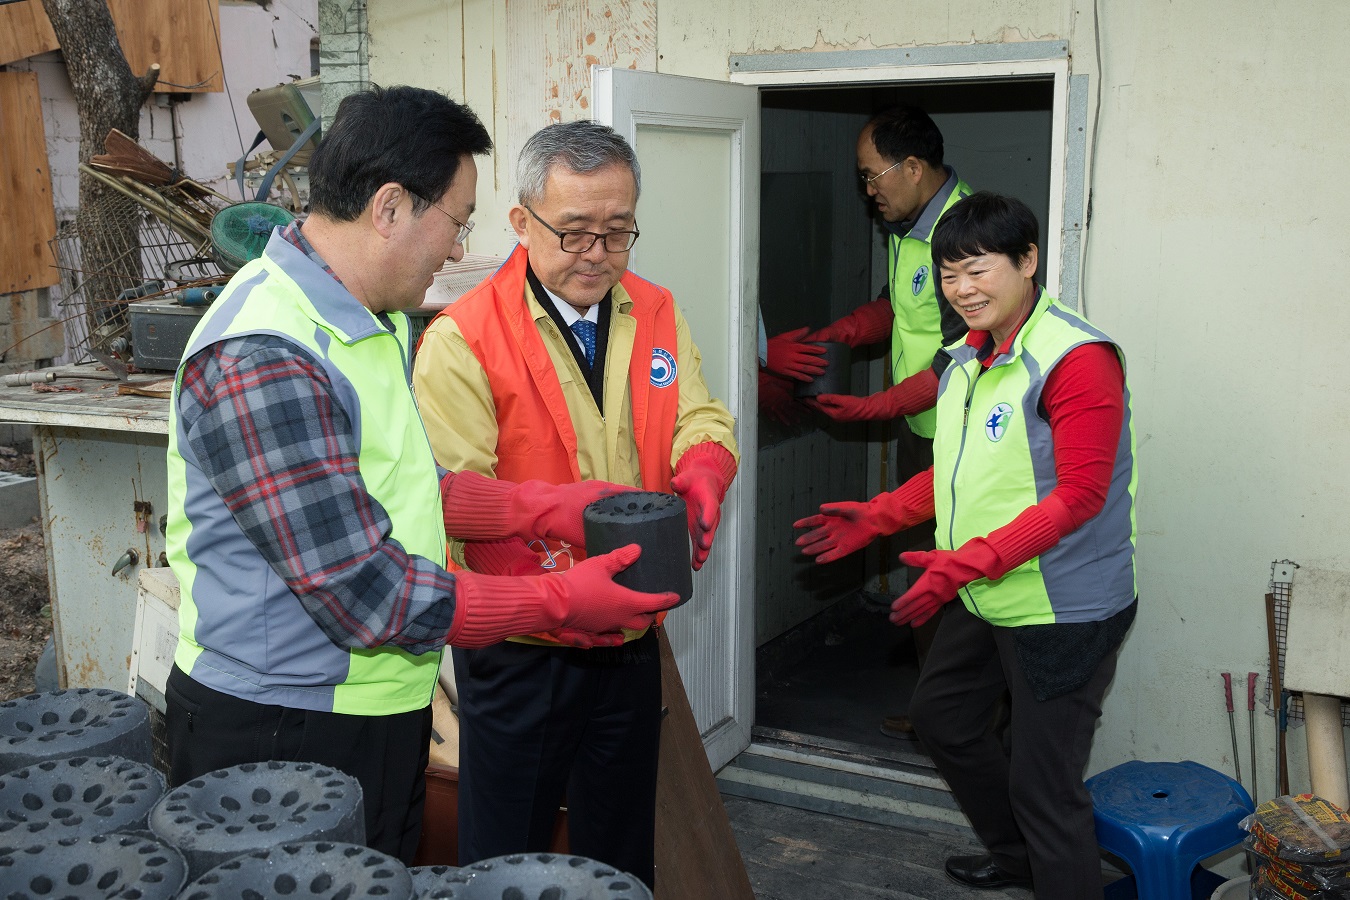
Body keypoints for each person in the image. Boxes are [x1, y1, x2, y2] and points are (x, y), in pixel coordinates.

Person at [162, 86, 679, 865]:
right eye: (458, 220)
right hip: (281, 730)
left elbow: (410, 488)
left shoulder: (366, 320)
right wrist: (561, 599)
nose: (456, 246)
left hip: (372, 707)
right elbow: (371, 592)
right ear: (391, 207)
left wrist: (548, 508)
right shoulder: (265, 355)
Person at [411, 120, 739, 889]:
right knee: (506, 854)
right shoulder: (463, 339)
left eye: (618, 233)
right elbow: (457, 504)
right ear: (522, 223)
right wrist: (559, 601)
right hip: (523, 646)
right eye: (575, 232)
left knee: (621, 843)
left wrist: (704, 469)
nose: (597, 254)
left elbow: (699, 414)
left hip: (629, 630)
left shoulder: (653, 308)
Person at [795, 193, 1137, 898]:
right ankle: (1018, 861)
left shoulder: (1076, 359)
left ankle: (1053, 871)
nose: (962, 289)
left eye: (977, 270)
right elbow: (960, 474)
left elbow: (1080, 496)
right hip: (984, 589)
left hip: (1060, 606)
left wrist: (969, 562)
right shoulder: (969, 355)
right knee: (942, 719)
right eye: (949, 274)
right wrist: (881, 515)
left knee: (1045, 788)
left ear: (1028, 261)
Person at [769, 104, 973, 740]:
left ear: (911, 167)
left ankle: (961, 722)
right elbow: (902, 309)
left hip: (969, 447)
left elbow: (966, 348)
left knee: (959, 579)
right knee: (924, 571)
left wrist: (880, 405)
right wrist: (849, 331)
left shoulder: (964, 235)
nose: (867, 189)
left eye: (870, 174)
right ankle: (937, 713)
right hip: (926, 437)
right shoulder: (911, 230)